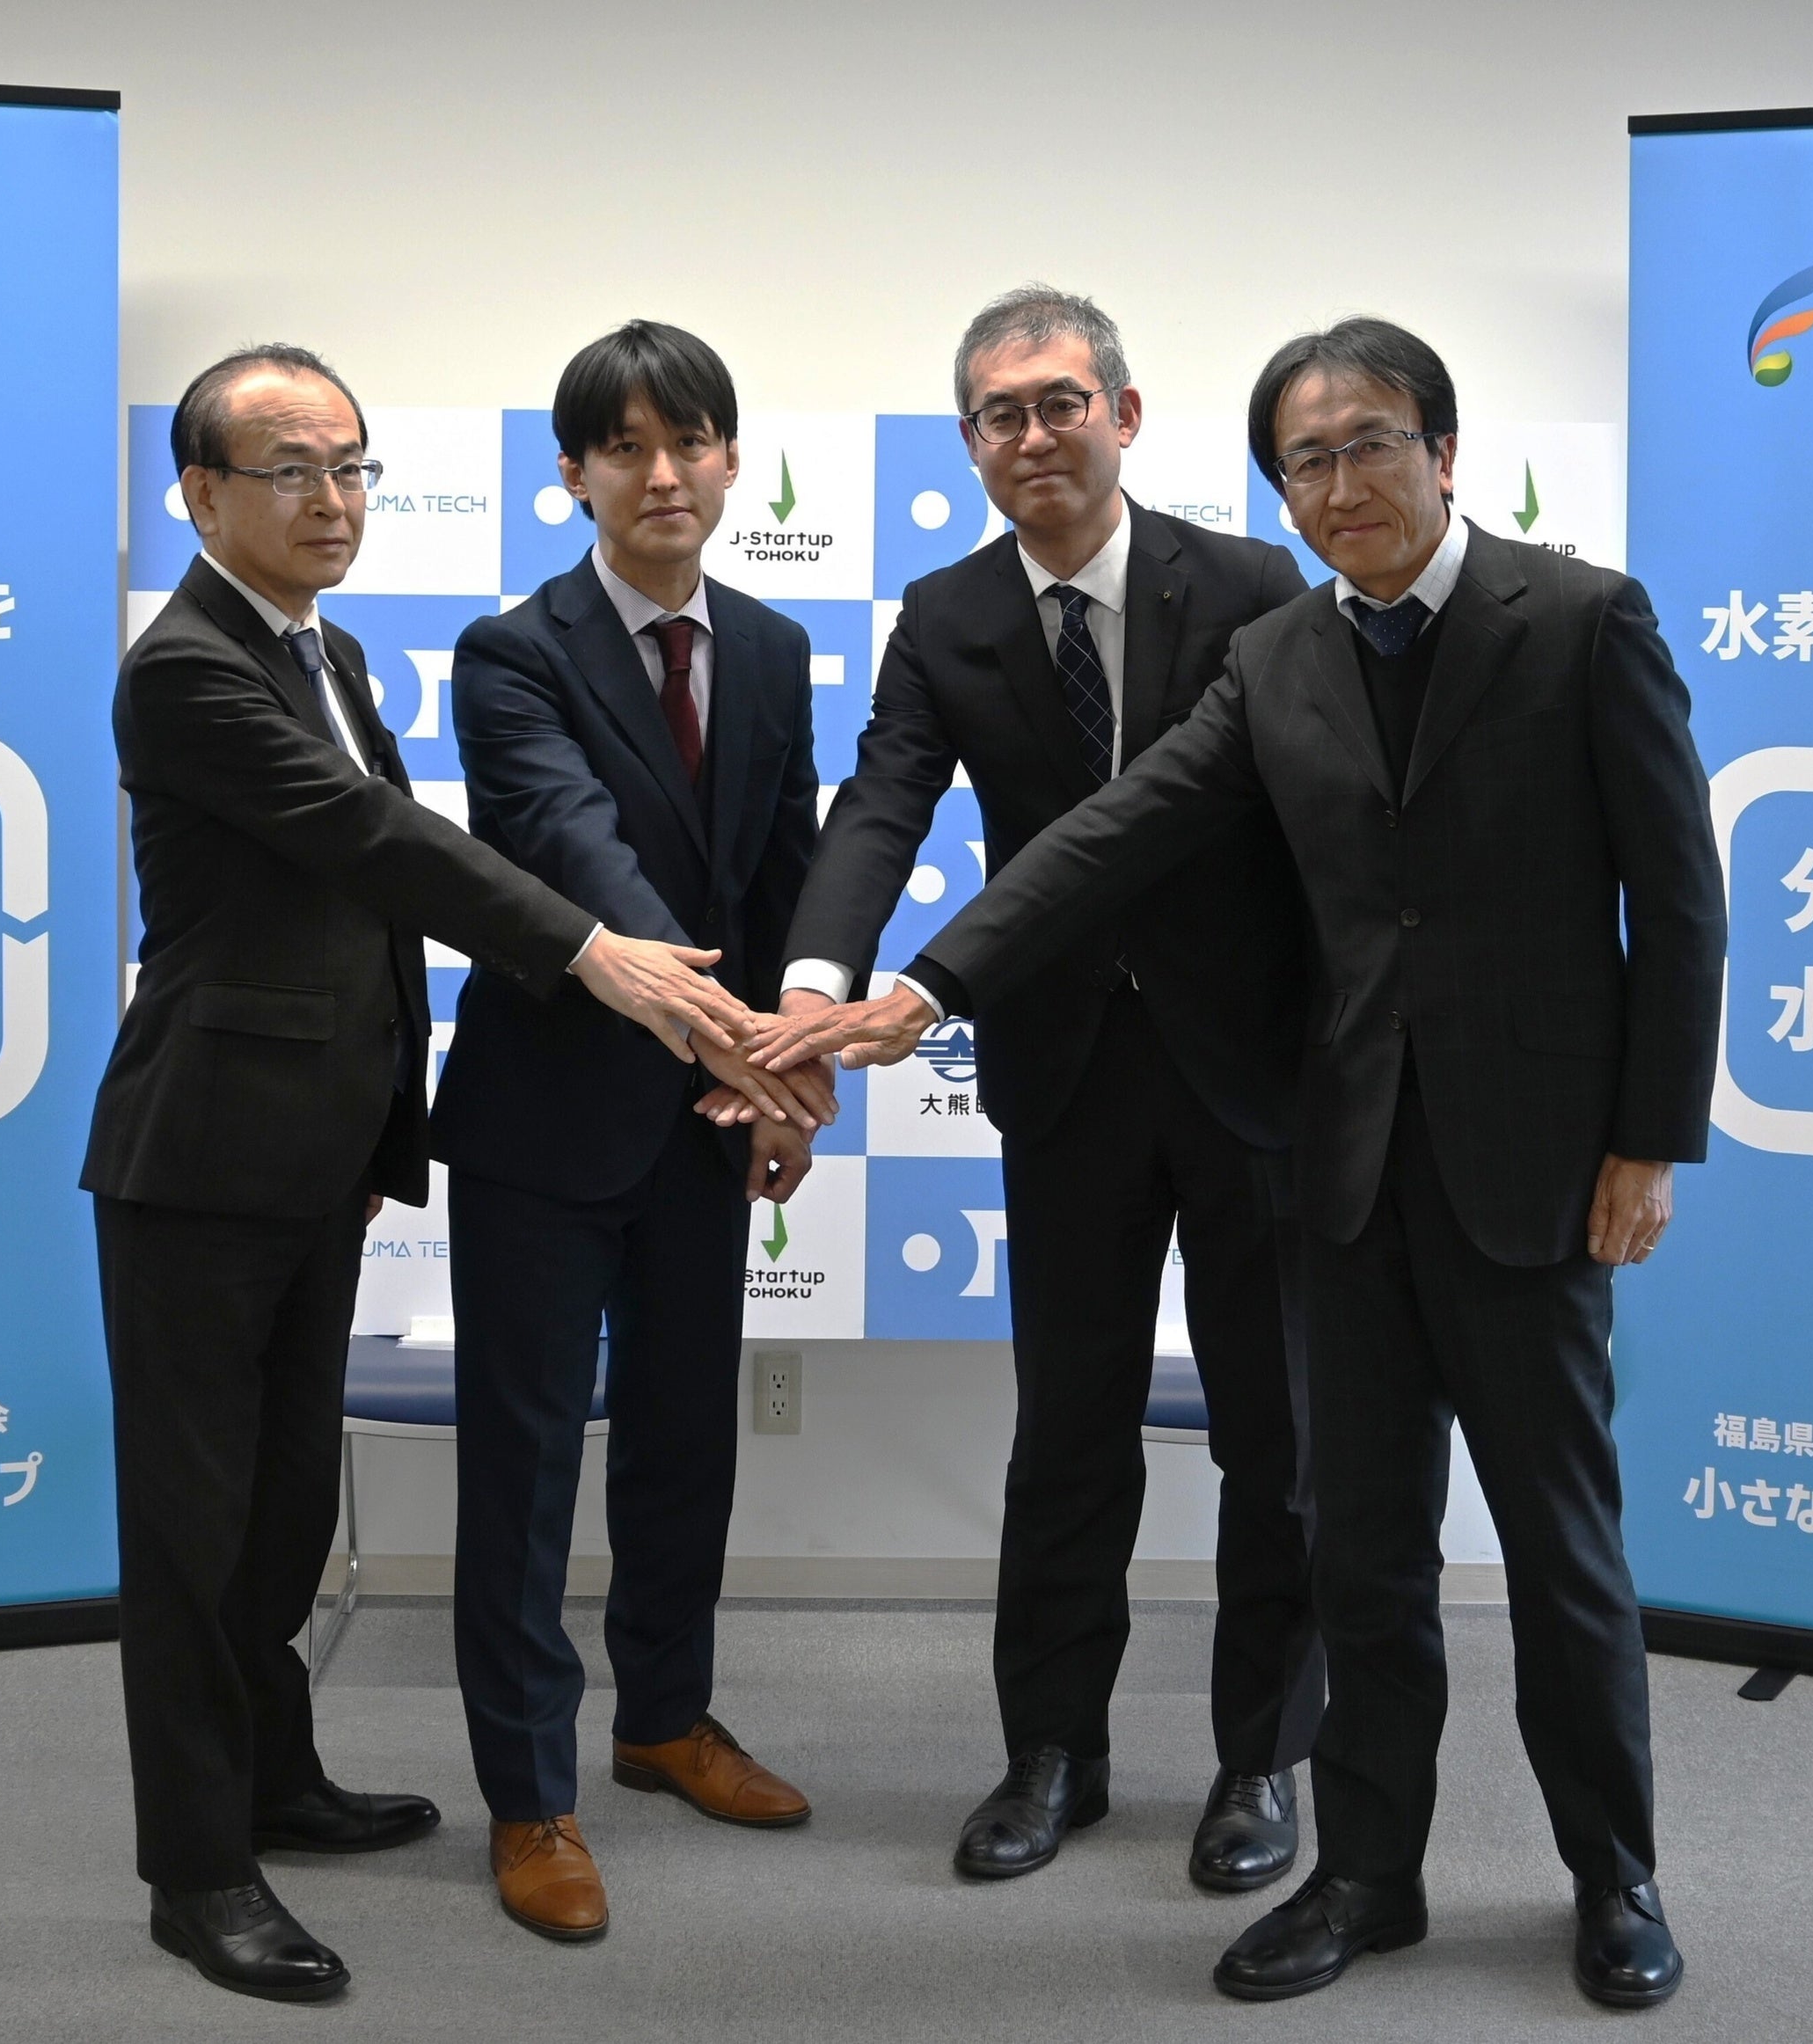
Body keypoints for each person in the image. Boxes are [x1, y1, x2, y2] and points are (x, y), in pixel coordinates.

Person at [761, 318, 1722, 2010]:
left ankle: (1613, 1875)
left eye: (1371, 445)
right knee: (1364, 1550)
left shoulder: (1580, 618)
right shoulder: (1280, 655)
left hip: (1520, 1169)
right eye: (1307, 460)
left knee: (1560, 1548)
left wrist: (1649, 1139)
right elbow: (1113, 833)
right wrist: (924, 988)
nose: (1342, 485)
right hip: (1341, 1162)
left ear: (1443, 448)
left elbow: (1682, 898)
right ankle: (1368, 1873)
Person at [82, 343, 758, 2004]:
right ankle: (198, 1869)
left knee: (281, 1512)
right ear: (201, 495)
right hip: (200, 1157)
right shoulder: (187, 669)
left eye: (352, 467)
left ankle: (277, 1780)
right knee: (192, 1533)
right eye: (289, 471)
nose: (333, 500)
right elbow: (381, 844)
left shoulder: (324, 648)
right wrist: (593, 952)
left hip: (318, 1148)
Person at [773, 286, 1322, 1892]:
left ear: (1125, 416)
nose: (1032, 437)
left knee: (1275, 1433)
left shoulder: (1250, 584)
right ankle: (1053, 1754)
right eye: (999, 415)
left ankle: (1262, 1759)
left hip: (1250, 1068)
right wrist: (815, 980)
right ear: (969, 444)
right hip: (1065, 1072)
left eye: (1060, 404)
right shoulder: (947, 615)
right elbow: (883, 803)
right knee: (1070, 1430)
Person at [431, 321, 830, 1944]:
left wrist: (786, 1076)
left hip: (707, 1122)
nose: (662, 474)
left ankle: (665, 1721)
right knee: (526, 1465)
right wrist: (729, 1033)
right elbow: (569, 843)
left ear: (732, 460)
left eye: (691, 442)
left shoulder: (778, 645)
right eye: (625, 447)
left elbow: (784, 873)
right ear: (574, 474)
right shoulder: (510, 651)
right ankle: (529, 1797)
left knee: (684, 1443)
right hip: (546, 1120)